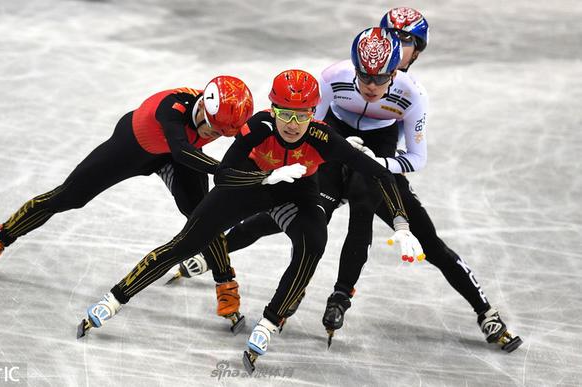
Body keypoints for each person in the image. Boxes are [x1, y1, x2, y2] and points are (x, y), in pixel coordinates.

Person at [175, 11, 523, 353]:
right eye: (364, 77)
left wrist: (377, 162)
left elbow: (416, 159)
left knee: (410, 232)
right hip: (332, 146)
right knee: (305, 215)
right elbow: (306, 130)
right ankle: (213, 254)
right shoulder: (332, 77)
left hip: (375, 160)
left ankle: (482, 311)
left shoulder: (413, 93)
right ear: (355, 66)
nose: (372, 87)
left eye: (381, 78)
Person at [77, 69, 423, 374]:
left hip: (298, 193)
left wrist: (401, 223)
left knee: (314, 242)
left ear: (313, 114)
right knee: (186, 242)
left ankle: (270, 322)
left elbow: (381, 174)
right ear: (273, 109)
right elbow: (224, 176)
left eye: (301, 115)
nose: (292, 124)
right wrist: (264, 178)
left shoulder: (323, 138)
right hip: (250, 186)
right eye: (285, 114)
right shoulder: (258, 128)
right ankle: (115, 298)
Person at [0, 75, 254, 332]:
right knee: (68, 197)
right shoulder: (173, 108)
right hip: (134, 149)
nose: (214, 136)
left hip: (179, 156)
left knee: (203, 216)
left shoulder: (217, 117)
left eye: (221, 134)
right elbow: (181, 150)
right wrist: (222, 171)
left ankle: (225, 284)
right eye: (213, 130)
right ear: (202, 107)